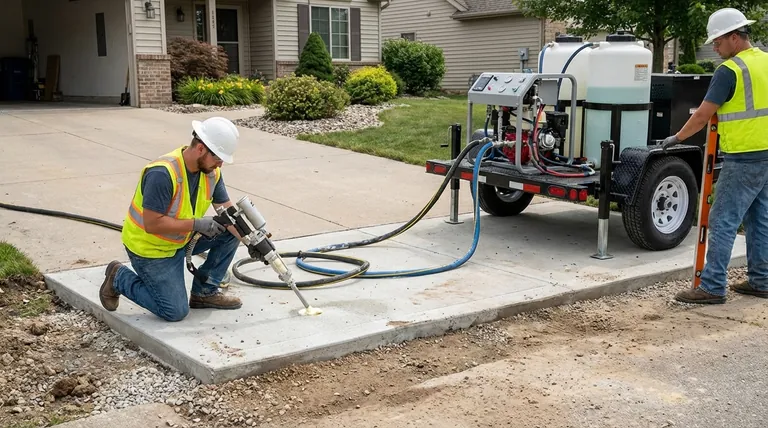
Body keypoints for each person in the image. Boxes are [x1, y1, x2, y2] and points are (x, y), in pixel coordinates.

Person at [660, 8, 768, 304]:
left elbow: (703, 115)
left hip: (743, 157)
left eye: (718, 42)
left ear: (735, 37)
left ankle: (712, 286)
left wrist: (676, 138)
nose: (715, 48)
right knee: (760, 219)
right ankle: (762, 280)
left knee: (722, 220)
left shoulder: (729, 71)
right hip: (766, 155)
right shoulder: (766, 61)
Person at [99, 117, 244, 321]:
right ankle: (118, 277)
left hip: (180, 240)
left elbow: (226, 210)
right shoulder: (162, 173)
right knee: (175, 311)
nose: (221, 163)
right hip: (151, 250)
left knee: (230, 230)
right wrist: (197, 224)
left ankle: (204, 293)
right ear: (201, 148)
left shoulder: (211, 172)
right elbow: (152, 224)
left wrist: (252, 238)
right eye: (218, 157)